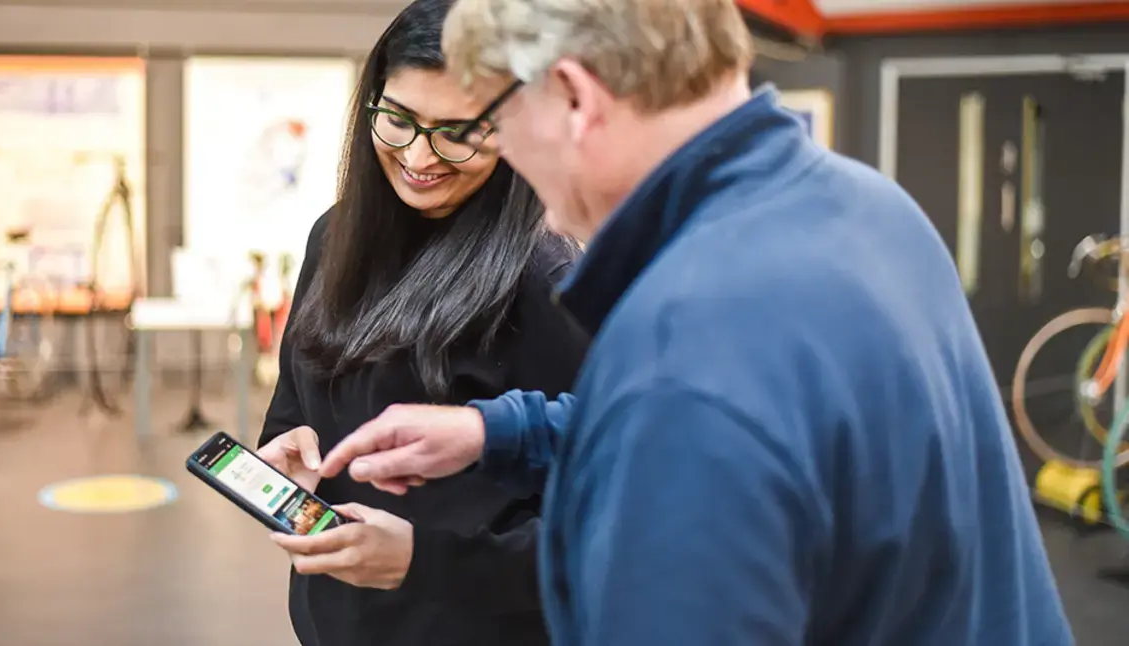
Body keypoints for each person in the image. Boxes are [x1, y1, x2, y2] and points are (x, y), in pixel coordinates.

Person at [316, 0, 1075, 645]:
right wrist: (497, 435)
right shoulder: (869, 209)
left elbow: (695, 420)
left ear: (577, 100)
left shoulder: (688, 346)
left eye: (498, 124)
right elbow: (783, 439)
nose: (511, 164)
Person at [256, 0, 588, 644]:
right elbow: (293, 407)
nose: (419, 156)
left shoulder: (542, 278)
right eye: (399, 120)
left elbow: (593, 515)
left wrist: (424, 563)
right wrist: (286, 458)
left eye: (458, 131)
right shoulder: (334, 238)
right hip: (335, 623)